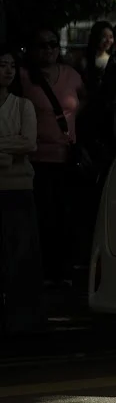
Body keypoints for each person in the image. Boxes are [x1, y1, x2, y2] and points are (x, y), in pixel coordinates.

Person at [19, 26, 89, 285]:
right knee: (43, 216)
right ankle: (45, 270)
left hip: (66, 157)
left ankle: (63, 269)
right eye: (42, 45)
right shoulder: (24, 77)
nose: (48, 50)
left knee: (66, 215)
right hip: (36, 158)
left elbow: (85, 98)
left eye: (52, 44)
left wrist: (70, 121)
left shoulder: (70, 74)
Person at [0, 46, 45, 334]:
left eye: (11, 66)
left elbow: (29, 143)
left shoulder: (22, 105)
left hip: (18, 188)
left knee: (19, 253)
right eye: (2, 65)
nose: (8, 70)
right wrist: (8, 146)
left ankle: (22, 318)